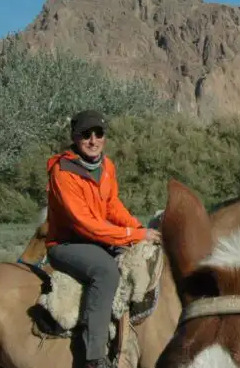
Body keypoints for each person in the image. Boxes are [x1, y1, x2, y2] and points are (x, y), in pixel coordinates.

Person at [44, 110, 160, 368]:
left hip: (98, 238)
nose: (93, 140)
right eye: (86, 135)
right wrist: (134, 235)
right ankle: (94, 355)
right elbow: (86, 225)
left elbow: (112, 207)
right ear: (75, 138)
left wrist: (138, 228)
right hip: (68, 244)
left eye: (99, 133)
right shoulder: (63, 173)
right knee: (106, 271)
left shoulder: (106, 166)